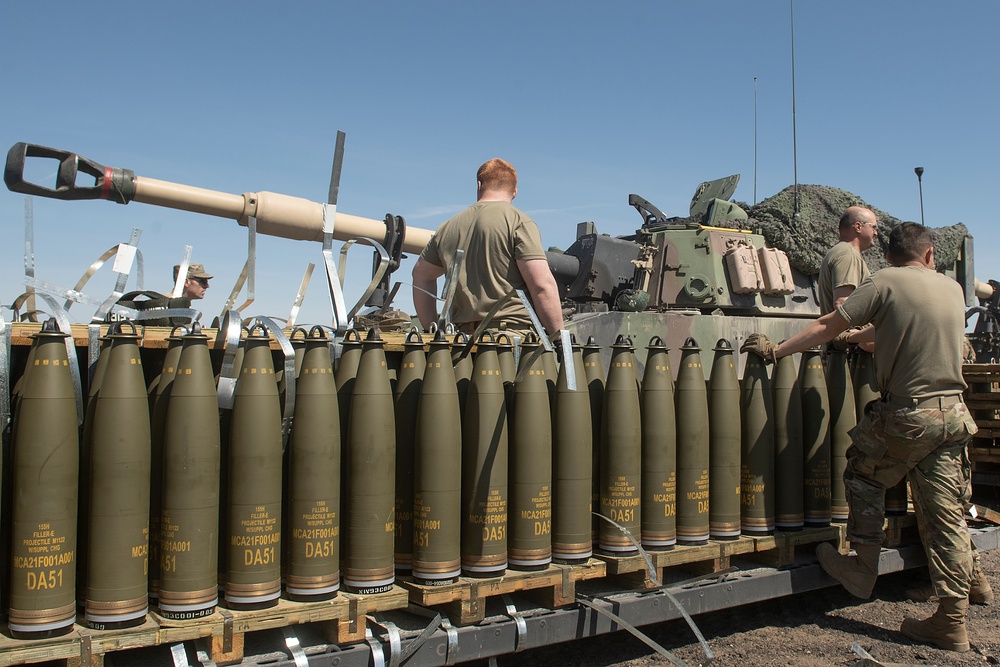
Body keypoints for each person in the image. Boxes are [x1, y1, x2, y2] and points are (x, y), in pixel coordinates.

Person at [741, 222, 980, 652]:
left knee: (861, 473)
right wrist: (860, 336)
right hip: (954, 418)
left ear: (888, 256)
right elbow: (895, 329)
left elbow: (828, 324)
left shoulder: (883, 282)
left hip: (910, 416)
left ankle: (862, 567)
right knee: (945, 511)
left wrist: (776, 352)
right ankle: (956, 611)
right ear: (929, 256)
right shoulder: (953, 290)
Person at [411, 158, 564, 336]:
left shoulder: (447, 227)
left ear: (479, 185)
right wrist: (560, 338)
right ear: (514, 191)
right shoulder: (519, 222)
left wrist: (432, 329)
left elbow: (421, 275)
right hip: (509, 341)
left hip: (459, 341)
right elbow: (541, 285)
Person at [817, 205, 878, 315]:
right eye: (873, 227)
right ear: (858, 227)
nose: (875, 233)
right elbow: (842, 304)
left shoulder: (842, 251)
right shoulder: (848, 254)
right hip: (849, 331)